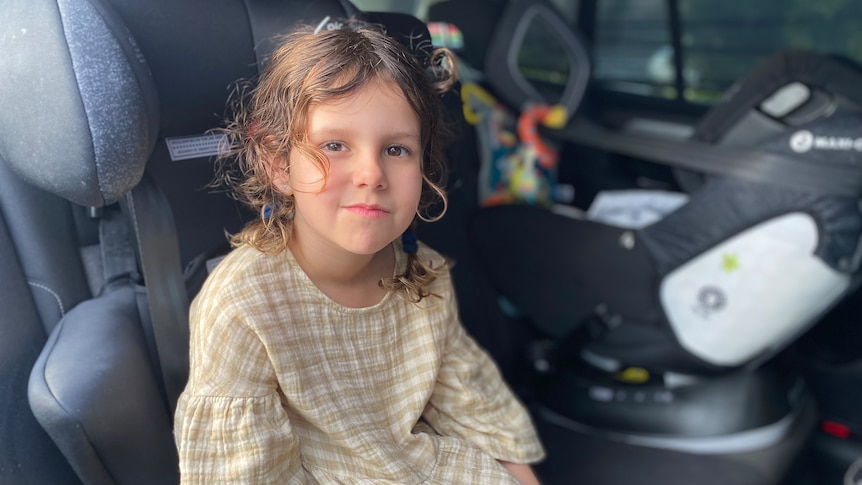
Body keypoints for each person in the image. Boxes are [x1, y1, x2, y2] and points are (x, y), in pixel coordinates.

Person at [174, 18, 545, 484]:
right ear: (279, 166)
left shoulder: (423, 271)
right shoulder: (243, 307)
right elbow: (245, 474)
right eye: (335, 145)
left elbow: (470, 404)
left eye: (396, 149)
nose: (371, 173)